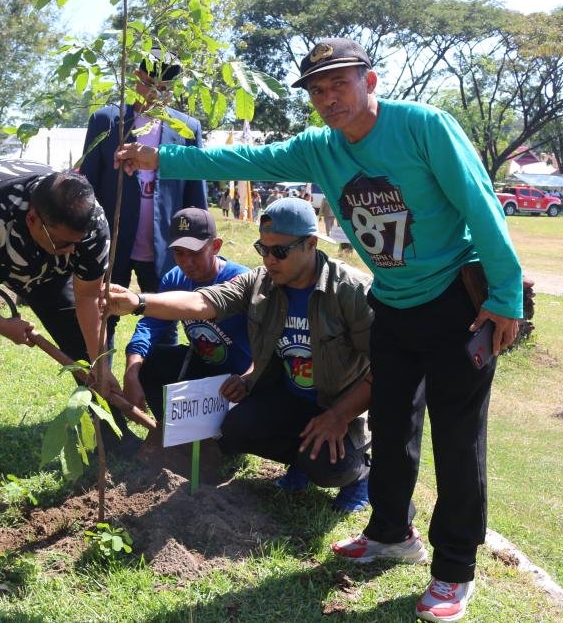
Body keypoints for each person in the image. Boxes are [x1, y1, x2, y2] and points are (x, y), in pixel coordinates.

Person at [115, 37, 524, 622]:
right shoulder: (320, 149)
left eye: (340, 84)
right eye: (317, 90)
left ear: (369, 81)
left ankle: (455, 569)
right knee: (392, 425)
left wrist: (505, 296)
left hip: (454, 302)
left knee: (458, 439)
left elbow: (482, 206)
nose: (329, 98)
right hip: (392, 305)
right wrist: (161, 159)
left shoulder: (423, 127)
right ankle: (390, 534)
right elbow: (244, 160)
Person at [108, 198, 374, 511]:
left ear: (311, 244)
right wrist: (138, 302)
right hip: (288, 397)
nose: (270, 260)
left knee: (329, 467)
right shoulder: (261, 282)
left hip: (337, 404)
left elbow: (388, 366)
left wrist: (340, 415)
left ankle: (361, 475)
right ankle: (300, 462)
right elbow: (204, 302)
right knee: (235, 428)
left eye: (280, 251)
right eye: (263, 249)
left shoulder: (350, 291)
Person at [0, 159, 128, 478]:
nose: (71, 252)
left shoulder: (90, 226)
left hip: (46, 271)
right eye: (63, 243)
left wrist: (99, 364)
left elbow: (88, 297)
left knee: (81, 344)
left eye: (76, 244)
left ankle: (113, 435)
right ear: (33, 219)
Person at [79, 46, 207, 347]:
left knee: (164, 324)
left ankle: (157, 375)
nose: (155, 94)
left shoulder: (187, 129)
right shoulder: (107, 121)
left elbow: (195, 194)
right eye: (149, 84)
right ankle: (101, 374)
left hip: (164, 246)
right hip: (112, 244)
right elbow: (87, 186)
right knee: (103, 319)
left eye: (164, 89)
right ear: (136, 77)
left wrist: (198, 242)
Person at [121, 207, 252, 424]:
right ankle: (175, 429)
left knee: (235, 433)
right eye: (179, 253)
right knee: (148, 363)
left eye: (195, 252)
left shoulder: (241, 281)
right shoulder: (175, 279)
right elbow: (151, 325)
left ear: (216, 246)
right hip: (204, 366)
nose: (186, 262)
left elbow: (269, 346)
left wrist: (248, 378)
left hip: (241, 378)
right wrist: (131, 373)